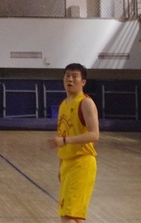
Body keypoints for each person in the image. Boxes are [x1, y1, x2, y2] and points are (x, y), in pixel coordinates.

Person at [47, 63, 100, 222]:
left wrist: (66, 140)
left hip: (82, 162)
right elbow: (63, 134)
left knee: (68, 215)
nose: (70, 79)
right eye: (67, 76)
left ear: (83, 82)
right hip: (67, 163)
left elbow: (94, 134)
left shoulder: (85, 103)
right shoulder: (63, 104)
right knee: (73, 216)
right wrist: (60, 166)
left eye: (75, 76)